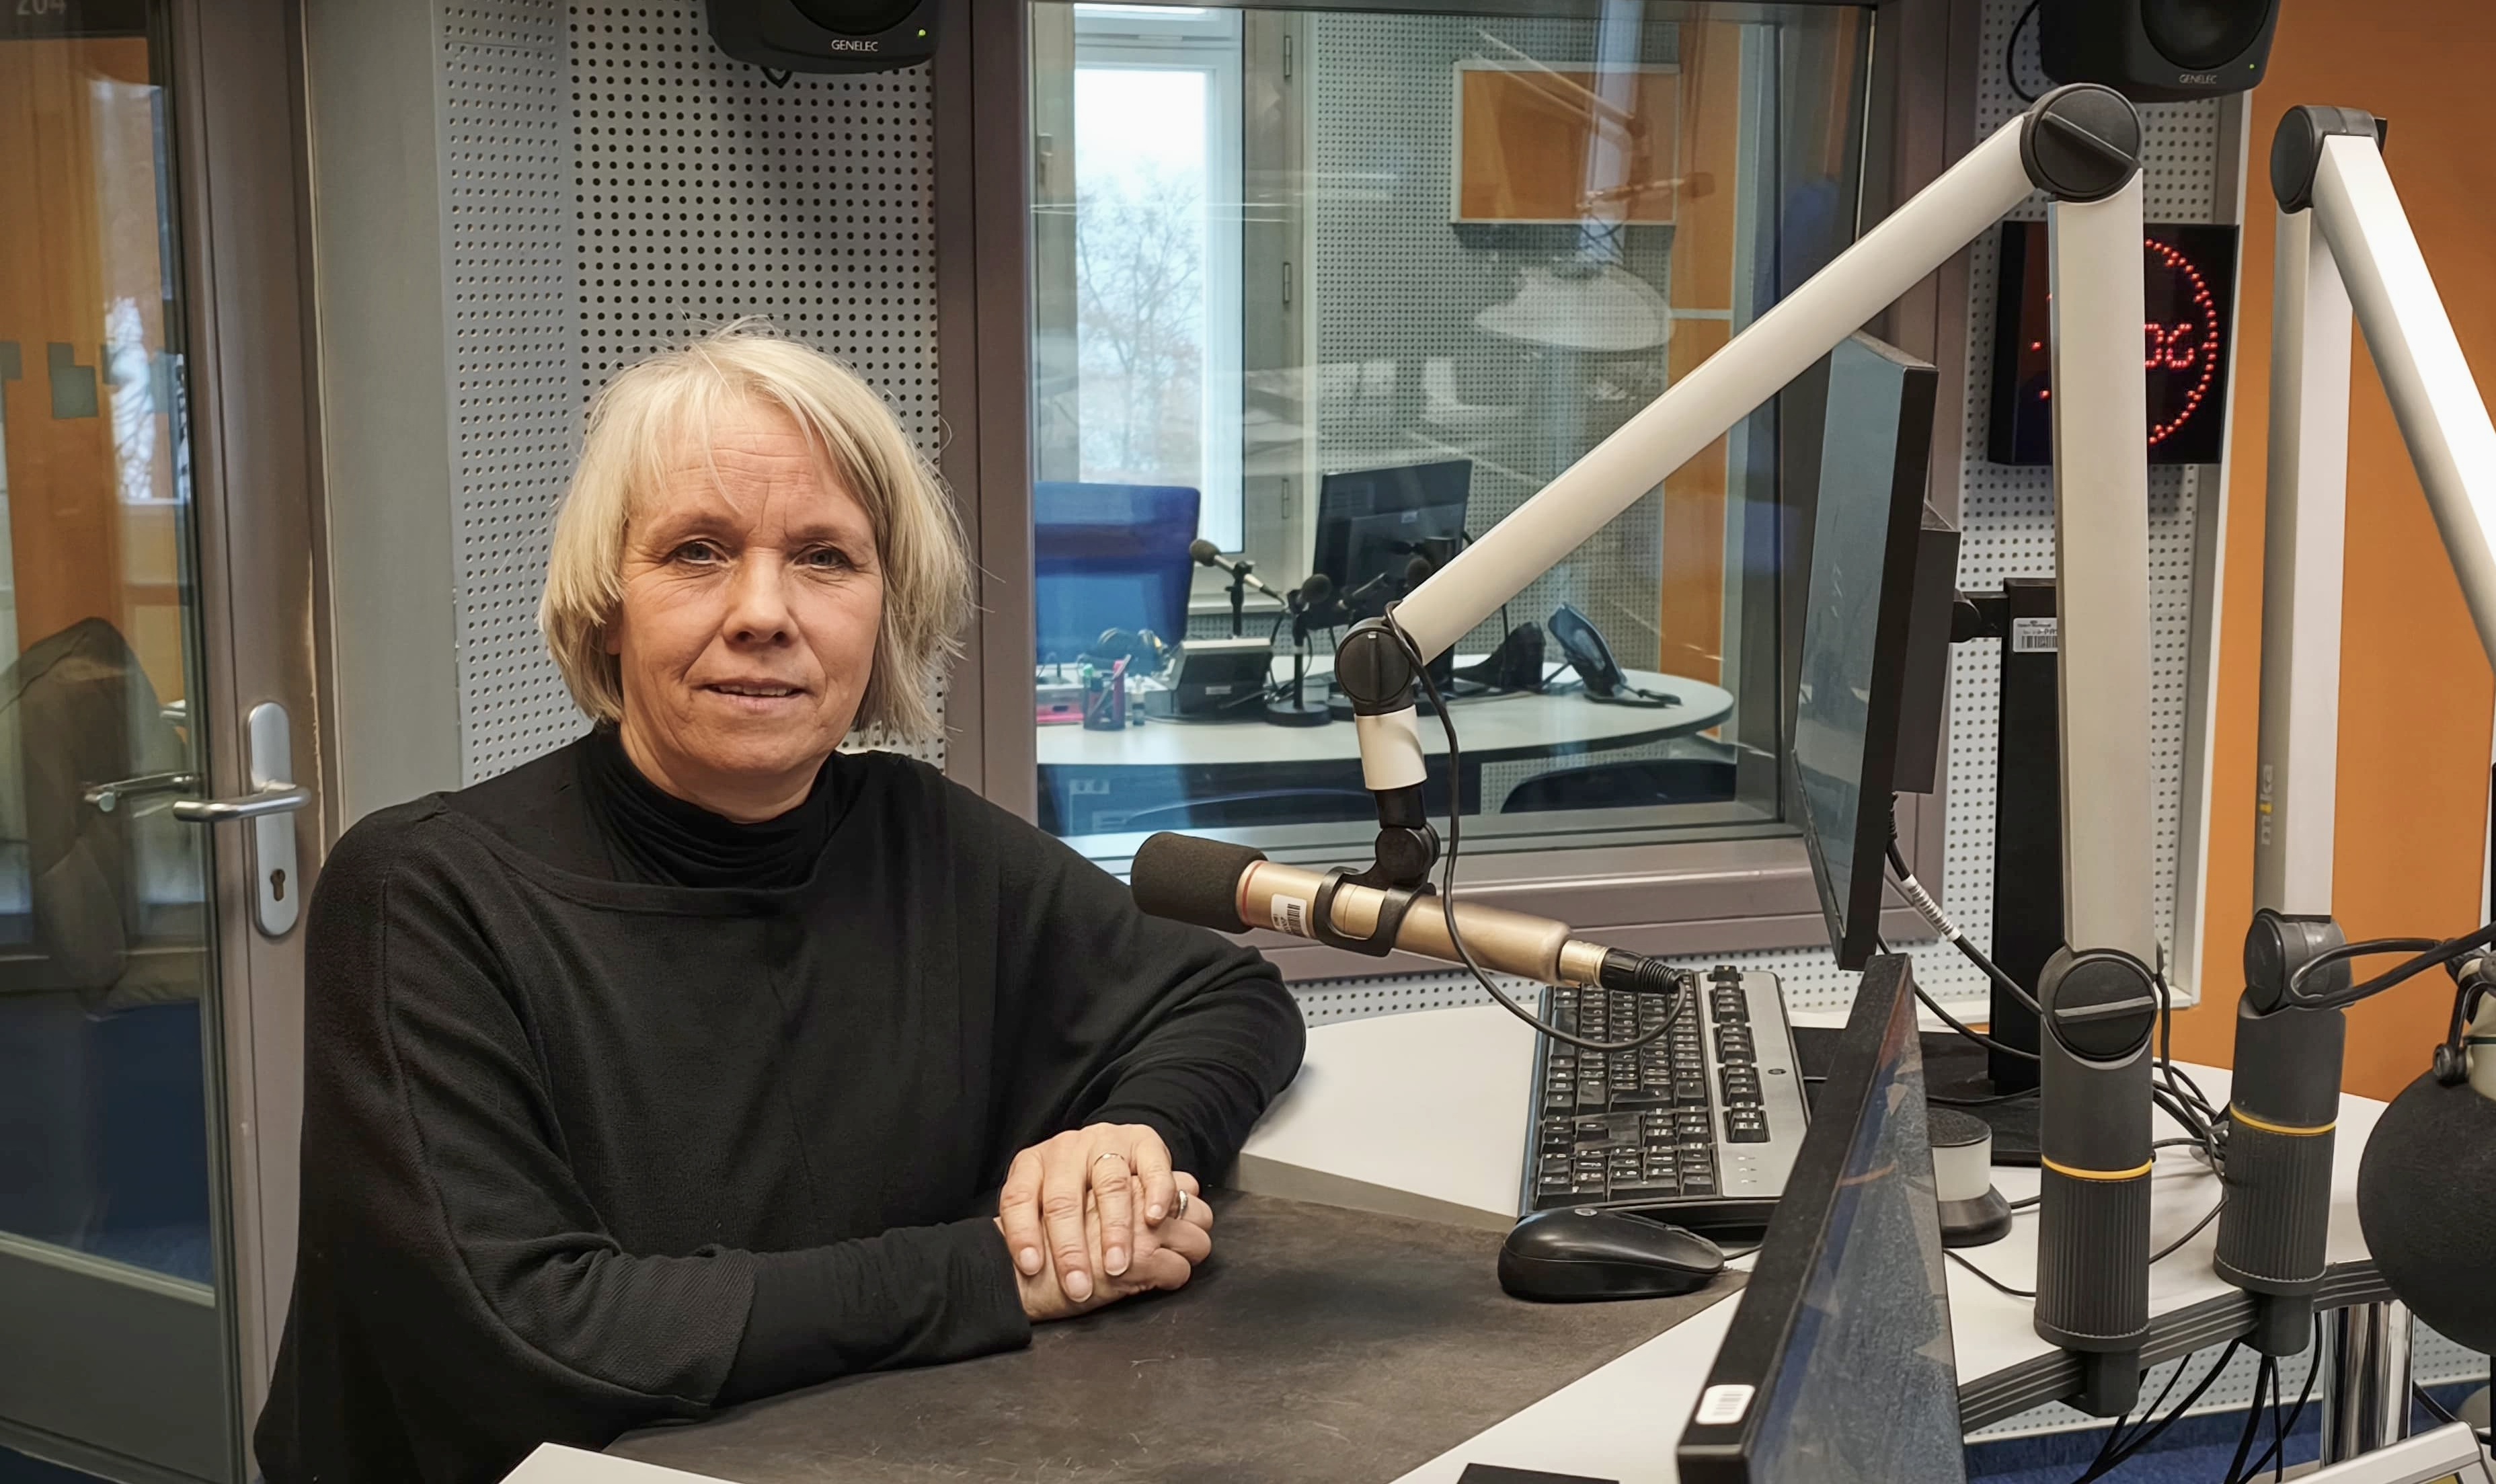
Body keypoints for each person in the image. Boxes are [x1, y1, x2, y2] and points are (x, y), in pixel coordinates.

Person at [254, 324, 1304, 1484]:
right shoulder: (424, 892)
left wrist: (1127, 1145)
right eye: (698, 552)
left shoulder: (925, 839)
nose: (763, 611)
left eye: (824, 558)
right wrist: (995, 1271)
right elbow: (532, 1330)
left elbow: (1227, 999)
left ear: (884, 610)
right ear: (608, 603)